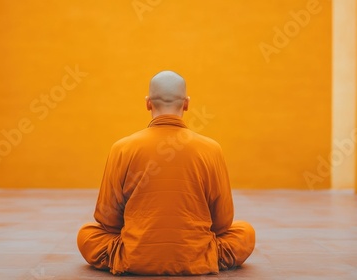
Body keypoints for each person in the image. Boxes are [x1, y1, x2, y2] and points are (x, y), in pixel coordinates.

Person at [77, 70, 255, 275]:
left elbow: (107, 219)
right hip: (197, 254)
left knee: (87, 233)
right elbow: (223, 222)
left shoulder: (122, 148)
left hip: (134, 256)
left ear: (148, 103)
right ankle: (202, 258)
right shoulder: (211, 148)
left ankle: (139, 258)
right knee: (244, 232)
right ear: (186, 104)